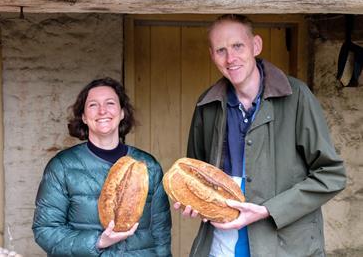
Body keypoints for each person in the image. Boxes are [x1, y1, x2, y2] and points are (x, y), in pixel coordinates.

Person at [175, 14, 347, 257]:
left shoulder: (297, 96)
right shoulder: (207, 105)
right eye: (220, 50)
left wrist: (268, 210)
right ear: (212, 55)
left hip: (285, 246)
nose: (230, 58)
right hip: (220, 245)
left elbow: (331, 175)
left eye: (237, 46)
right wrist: (192, 202)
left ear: (256, 45)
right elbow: (195, 175)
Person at [32, 77, 172, 256]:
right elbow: (45, 230)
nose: (102, 111)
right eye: (93, 105)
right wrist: (98, 241)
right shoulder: (62, 167)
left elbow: (161, 233)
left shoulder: (148, 166)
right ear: (83, 116)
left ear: (122, 113)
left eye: (110, 103)